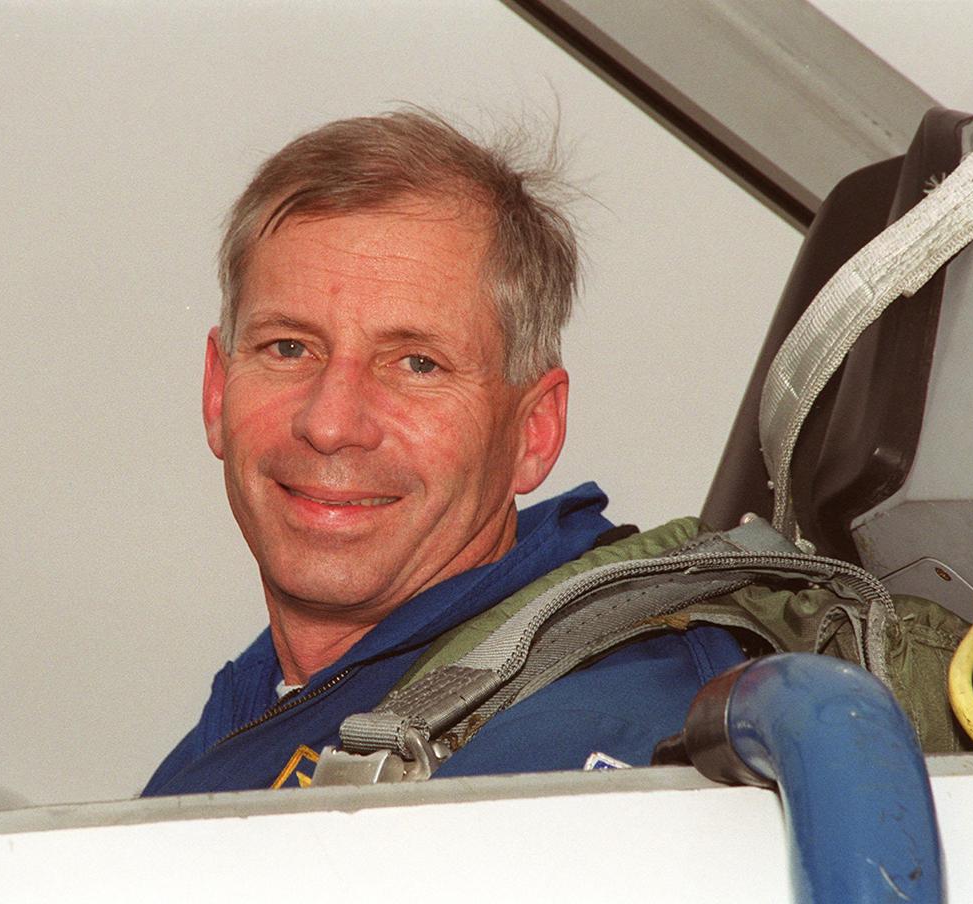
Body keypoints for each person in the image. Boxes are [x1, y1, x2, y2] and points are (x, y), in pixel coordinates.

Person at [142, 110, 744, 796]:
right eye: (288, 348)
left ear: (532, 431)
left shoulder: (586, 748)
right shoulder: (251, 723)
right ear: (218, 391)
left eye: (417, 364)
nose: (331, 423)